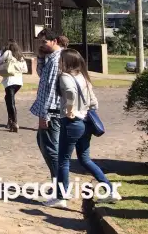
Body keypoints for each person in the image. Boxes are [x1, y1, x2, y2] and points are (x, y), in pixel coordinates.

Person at [45, 48, 119, 207]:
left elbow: (70, 92)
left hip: (72, 122)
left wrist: (70, 109)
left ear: (66, 62)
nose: (59, 62)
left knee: (63, 161)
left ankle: (61, 197)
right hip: (86, 122)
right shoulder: (83, 77)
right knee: (85, 159)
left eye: (61, 60)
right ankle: (110, 190)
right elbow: (94, 102)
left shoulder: (65, 76)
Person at [29, 29, 63, 180]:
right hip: (49, 110)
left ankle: (60, 185)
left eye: (44, 42)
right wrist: (41, 58)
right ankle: (59, 181)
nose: (41, 45)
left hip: (52, 111)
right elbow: (42, 75)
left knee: (51, 149)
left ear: (54, 41)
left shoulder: (57, 61)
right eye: (40, 42)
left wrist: (45, 115)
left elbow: (52, 89)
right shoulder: (50, 58)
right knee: (44, 144)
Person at [0, 40, 28, 132]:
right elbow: (25, 69)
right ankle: (10, 121)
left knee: (11, 102)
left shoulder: (8, 52)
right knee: (8, 99)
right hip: (19, 82)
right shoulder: (20, 55)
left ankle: (14, 122)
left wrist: (0, 52)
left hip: (10, 81)